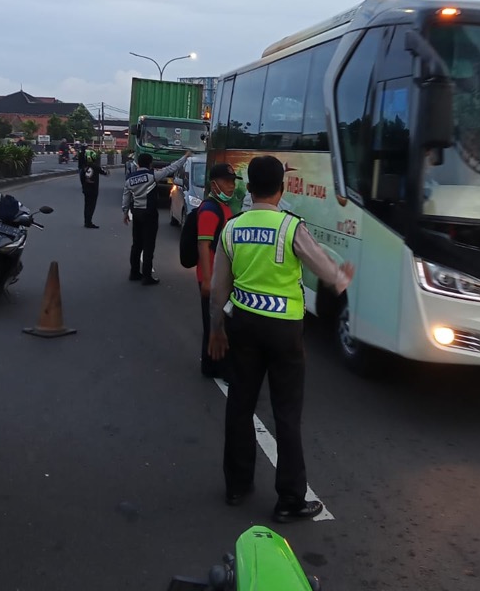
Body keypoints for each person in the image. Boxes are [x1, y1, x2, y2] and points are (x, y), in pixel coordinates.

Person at [208, 155, 355, 523]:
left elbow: (217, 291)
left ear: (249, 187)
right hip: (284, 333)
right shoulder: (291, 227)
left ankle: (237, 486)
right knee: (287, 414)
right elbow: (323, 269)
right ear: (282, 187)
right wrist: (341, 277)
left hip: (242, 325)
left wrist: (216, 329)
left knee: (240, 405)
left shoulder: (233, 228)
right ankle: (289, 499)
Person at [197, 163, 241, 378]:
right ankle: (215, 367)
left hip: (220, 276)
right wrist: (207, 279)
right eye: (226, 182)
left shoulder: (223, 207)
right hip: (212, 277)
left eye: (233, 181)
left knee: (219, 320)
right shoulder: (209, 210)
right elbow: (203, 245)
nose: (231, 186)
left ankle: (212, 365)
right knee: (214, 322)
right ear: (214, 185)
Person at [122, 150, 192, 285]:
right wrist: (185, 157)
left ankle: (134, 273)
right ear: (149, 163)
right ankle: (147, 277)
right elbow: (172, 167)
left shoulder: (130, 179)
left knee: (136, 244)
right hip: (150, 214)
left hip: (136, 213)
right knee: (148, 245)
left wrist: (125, 213)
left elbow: (126, 197)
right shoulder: (153, 175)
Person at [79, 148, 108, 229]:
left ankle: (86, 221)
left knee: (86, 205)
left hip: (86, 190)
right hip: (93, 191)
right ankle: (89, 222)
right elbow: (106, 173)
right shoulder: (95, 167)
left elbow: (81, 179)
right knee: (91, 207)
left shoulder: (83, 168)